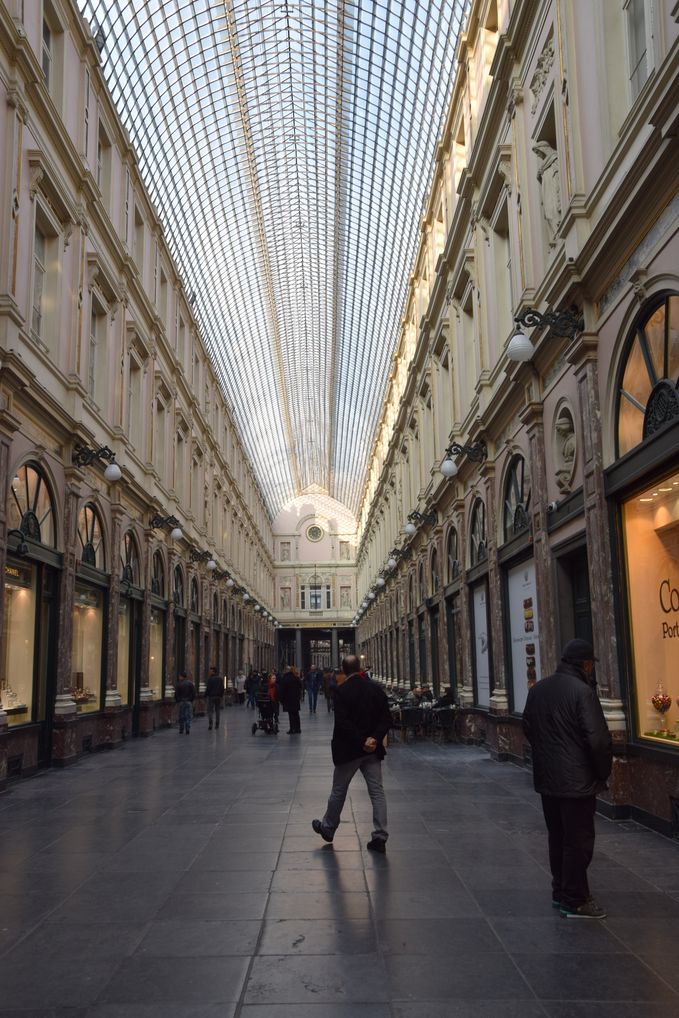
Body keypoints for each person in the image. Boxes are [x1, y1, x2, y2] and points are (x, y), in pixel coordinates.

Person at [522, 638, 612, 919]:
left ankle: (560, 891)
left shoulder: (540, 690)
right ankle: (575, 899)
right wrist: (602, 772)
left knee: (557, 836)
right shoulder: (582, 692)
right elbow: (597, 740)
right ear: (585, 664)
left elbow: (527, 727)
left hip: (549, 779)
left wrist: (548, 756)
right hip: (576, 781)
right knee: (579, 841)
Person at [312, 654, 392, 852]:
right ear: (361, 668)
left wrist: (361, 740)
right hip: (372, 751)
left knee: (339, 790)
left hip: (349, 751)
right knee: (377, 792)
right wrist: (374, 737)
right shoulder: (375, 689)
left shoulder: (341, 692)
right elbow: (386, 718)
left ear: (343, 670)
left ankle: (328, 828)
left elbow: (342, 722)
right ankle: (380, 836)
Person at [280, 666, 302, 734]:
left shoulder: (286, 678)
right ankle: (298, 729)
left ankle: (292, 729)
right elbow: (301, 686)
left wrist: (281, 699)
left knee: (291, 714)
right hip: (296, 698)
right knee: (296, 714)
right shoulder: (296, 678)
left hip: (288, 698)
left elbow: (282, 689)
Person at [174, 670, 195, 735]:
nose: (179, 677)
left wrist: (178, 700)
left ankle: (181, 729)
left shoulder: (179, 684)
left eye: (179, 676)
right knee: (188, 715)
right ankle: (187, 728)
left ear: (181, 676)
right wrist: (191, 700)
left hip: (181, 702)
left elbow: (176, 694)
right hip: (188, 702)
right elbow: (193, 693)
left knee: (181, 715)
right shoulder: (190, 684)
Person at [204, 665, 224, 731]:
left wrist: (205, 695)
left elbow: (208, 689)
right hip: (218, 697)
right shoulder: (220, 679)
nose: (209, 672)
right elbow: (222, 688)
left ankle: (210, 724)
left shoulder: (210, 679)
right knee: (217, 710)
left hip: (211, 697)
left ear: (214, 672)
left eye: (210, 671)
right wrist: (221, 696)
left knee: (210, 710)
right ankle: (217, 724)